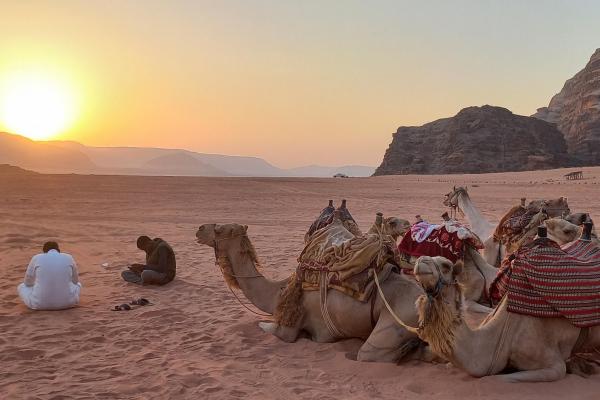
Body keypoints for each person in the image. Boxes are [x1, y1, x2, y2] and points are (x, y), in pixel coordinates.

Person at [17, 241, 81, 310]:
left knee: (21, 286)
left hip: (39, 305)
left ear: (44, 251)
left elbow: (28, 283)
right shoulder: (69, 257)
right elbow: (75, 281)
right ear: (58, 250)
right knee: (79, 284)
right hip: (68, 304)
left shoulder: (36, 258)